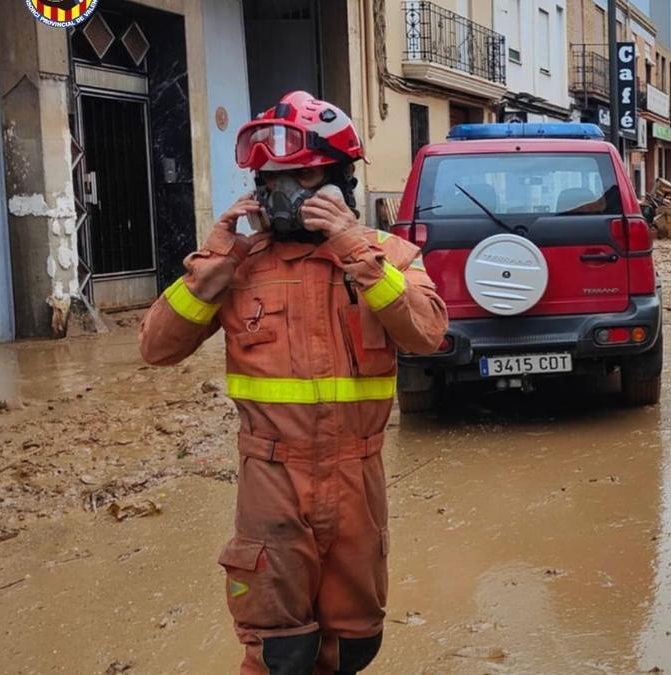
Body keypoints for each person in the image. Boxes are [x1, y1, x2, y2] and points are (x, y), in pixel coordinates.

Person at [139, 91, 448, 675]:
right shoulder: (235, 265)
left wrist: (355, 250)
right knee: (278, 649)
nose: (284, 193)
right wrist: (213, 264)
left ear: (339, 181)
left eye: (302, 177)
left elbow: (428, 335)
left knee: (354, 643)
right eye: (270, 179)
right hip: (272, 480)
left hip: (359, 475)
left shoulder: (388, 256)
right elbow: (156, 349)